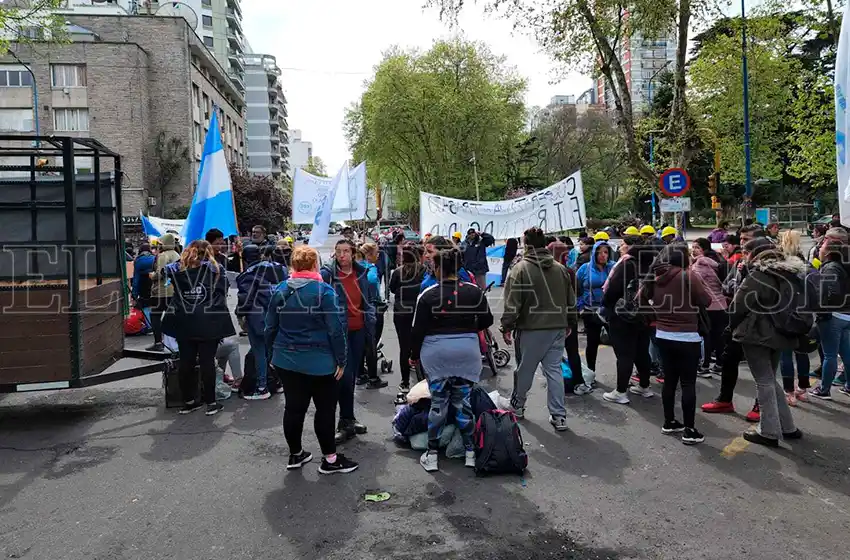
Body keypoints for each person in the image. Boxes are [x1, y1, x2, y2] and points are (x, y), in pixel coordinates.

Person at [265, 245, 359, 474]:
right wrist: (342, 360)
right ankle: (330, 459)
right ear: (315, 265)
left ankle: (295, 454)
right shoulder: (325, 292)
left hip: (286, 359)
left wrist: (270, 355)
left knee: (294, 408)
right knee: (325, 410)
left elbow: (269, 326)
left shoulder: (280, 290)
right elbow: (336, 331)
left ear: (294, 265)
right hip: (320, 362)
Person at [411, 247, 494, 472]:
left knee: (438, 403)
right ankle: (470, 452)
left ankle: (432, 454)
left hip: (436, 354)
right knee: (463, 402)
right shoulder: (474, 291)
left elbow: (417, 330)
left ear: (438, 268)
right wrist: (466, 329)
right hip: (467, 353)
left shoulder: (427, 295)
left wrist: (413, 356)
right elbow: (487, 319)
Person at [500, 227, 578, 429]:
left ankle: (518, 405)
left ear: (526, 244)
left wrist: (506, 326)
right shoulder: (560, 269)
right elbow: (571, 299)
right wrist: (570, 321)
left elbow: (512, 303)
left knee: (525, 369)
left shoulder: (520, 269)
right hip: (557, 327)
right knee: (554, 371)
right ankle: (559, 415)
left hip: (531, 328)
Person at [729, 238, 803, 446]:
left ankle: (769, 430)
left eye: (745, 251)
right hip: (784, 332)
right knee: (770, 378)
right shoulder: (790, 274)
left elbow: (738, 305)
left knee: (763, 380)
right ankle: (787, 426)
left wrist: (731, 326)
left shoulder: (759, 276)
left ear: (755, 254)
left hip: (757, 333)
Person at [640, 244, 711, 444]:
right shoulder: (688, 276)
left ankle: (669, 421)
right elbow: (705, 301)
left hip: (663, 334)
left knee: (670, 381)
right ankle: (689, 430)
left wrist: (655, 315)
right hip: (687, 336)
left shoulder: (654, 277)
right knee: (688, 383)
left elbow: (641, 299)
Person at [162, 240, 235, 416]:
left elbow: (163, 272)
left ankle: (188, 402)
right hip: (209, 321)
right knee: (207, 362)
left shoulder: (176, 270)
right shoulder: (215, 269)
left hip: (183, 319)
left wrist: (187, 260)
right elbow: (223, 290)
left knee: (185, 362)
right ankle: (211, 402)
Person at [702, 224, 767, 418]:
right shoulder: (741, 262)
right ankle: (724, 399)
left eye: (746, 240)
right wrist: (740, 275)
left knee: (762, 369)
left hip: (760, 324)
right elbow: (727, 286)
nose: (742, 244)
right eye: (741, 240)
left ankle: (761, 405)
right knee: (729, 359)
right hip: (737, 320)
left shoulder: (769, 263)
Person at [321, 239, 376, 444]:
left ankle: (349, 419)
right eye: (338, 251)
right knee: (341, 377)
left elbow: (367, 299)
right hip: (338, 332)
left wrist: (371, 317)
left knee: (351, 377)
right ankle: (343, 422)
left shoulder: (361, 272)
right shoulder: (327, 274)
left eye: (346, 251)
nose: (342, 255)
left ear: (353, 253)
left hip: (359, 329)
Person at [601, 234, 657, 404]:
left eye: (623, 244)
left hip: (623, 316)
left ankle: (620, 391)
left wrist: (607, 306)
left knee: (624, 354)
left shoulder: (627, 264)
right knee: (642, 351)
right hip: (644, 315)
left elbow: (612, 290)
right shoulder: (651, 266)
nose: (620, 248)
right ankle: (645, 387)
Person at [236, 245, 289, 399]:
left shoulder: (248, 274)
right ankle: (277, 382)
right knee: (271, 351)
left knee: (259, 351)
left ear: (244, 259)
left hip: (258, 318)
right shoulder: (279, 269)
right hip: (278, 316)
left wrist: (240, 314)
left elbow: (245, 299)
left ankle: (262, 387)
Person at [809, 237, 850, 399]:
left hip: (833, 316)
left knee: (830, 354)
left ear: (828, 252)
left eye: (822, 246)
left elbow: (829, 293)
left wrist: (821, 309)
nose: (819, 249)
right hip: (846, 315)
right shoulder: (843, 265)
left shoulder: (830, 268)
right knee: (846, 354)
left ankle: (824, 389)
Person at [389, 242, 426, 392]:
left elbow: (392, 289)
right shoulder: (423, 271)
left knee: (404, 347)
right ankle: (423, 379)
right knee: (421, 345)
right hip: (418, 312)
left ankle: (404, 382)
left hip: (401, 313)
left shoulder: (398, 272)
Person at [575, 240, 613, 376]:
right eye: (600, 252)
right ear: (594, 254)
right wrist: (580, 305)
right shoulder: (585, 268)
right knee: (592, 343)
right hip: (590, 311)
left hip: (609, 311)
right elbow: (575, 287)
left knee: (618, 343)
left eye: (606, 252)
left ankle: (623, 376)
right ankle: (591, 373)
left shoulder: (612, 267)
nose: (603, 255)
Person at [691, 238, 728, 377]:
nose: (693, 250)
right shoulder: (717, 263)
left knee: (706, 337)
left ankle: (704, 366)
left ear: (703, 249)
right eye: (693, 247)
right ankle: (720, 364)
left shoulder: (699, 266)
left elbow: (694, 286)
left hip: (708, 306)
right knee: (719, 337)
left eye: (697, 247)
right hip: (721, 304)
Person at [357, 242, 389, 389]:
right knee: (371, 344)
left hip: (360, 307)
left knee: (362, 343)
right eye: (376, 253)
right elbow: (370, 283)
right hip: (372, 307)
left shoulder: (355, 267)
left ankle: (361, 374)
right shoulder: (369, 269)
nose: (378, 255)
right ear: (369, 255)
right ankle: (373, 378)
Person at [146, 233, 180, 352]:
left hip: (160, 292)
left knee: (155, 316)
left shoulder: (163, 256)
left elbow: (160, 273)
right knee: (173, 317)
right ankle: (175, 341)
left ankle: (158, 342)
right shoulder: (177, 254)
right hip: (174, 290)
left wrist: (152, 276)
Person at [131, 242, 155, 327]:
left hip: (143, 285)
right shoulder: (155, 258)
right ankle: (157, 325)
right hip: (154, 283)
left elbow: (136, 279)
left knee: (145, 305)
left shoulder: (138, 261)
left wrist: (134, 295)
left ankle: (149, 325)